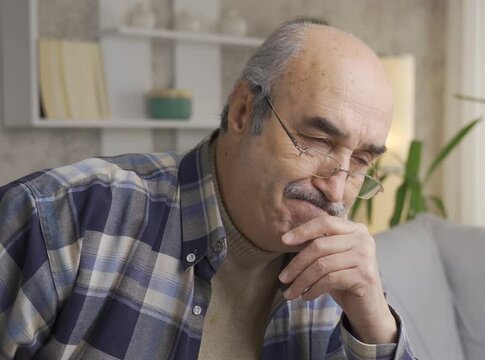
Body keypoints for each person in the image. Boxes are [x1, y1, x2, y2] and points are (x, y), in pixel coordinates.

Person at [0, 19, 414, 359]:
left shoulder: (339, 279)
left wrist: (375, 324)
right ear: (242, 112)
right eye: (318, 141)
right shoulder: (58, 219)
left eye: (360, 161)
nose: (337, 188)